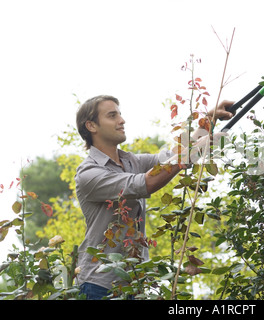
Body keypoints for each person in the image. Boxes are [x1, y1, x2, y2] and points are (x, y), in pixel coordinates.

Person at [74, 95, 233, 299]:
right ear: (91, 126)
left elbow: (172, 156)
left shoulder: (130, 161)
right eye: (112, 115)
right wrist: (192, 151)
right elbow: (145, 183)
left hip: (134, 283)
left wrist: (209, 118)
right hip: (98, 285)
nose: (121, 120)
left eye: (120, 114)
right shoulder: (88, 174)